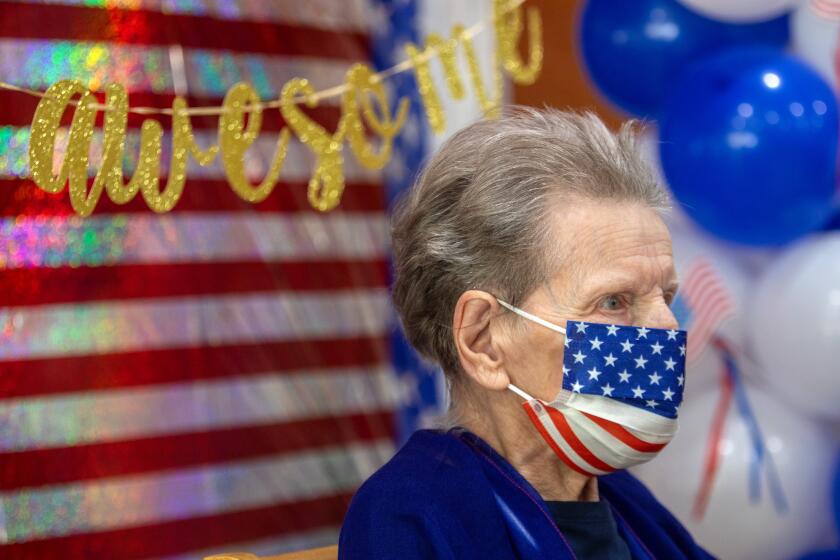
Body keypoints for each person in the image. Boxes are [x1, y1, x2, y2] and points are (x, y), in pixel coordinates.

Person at [339, 107, 714, 559]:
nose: (668, 328)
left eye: (666, 297)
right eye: (614, 301)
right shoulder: (412, 517)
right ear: (483, 341)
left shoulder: (626, 502)